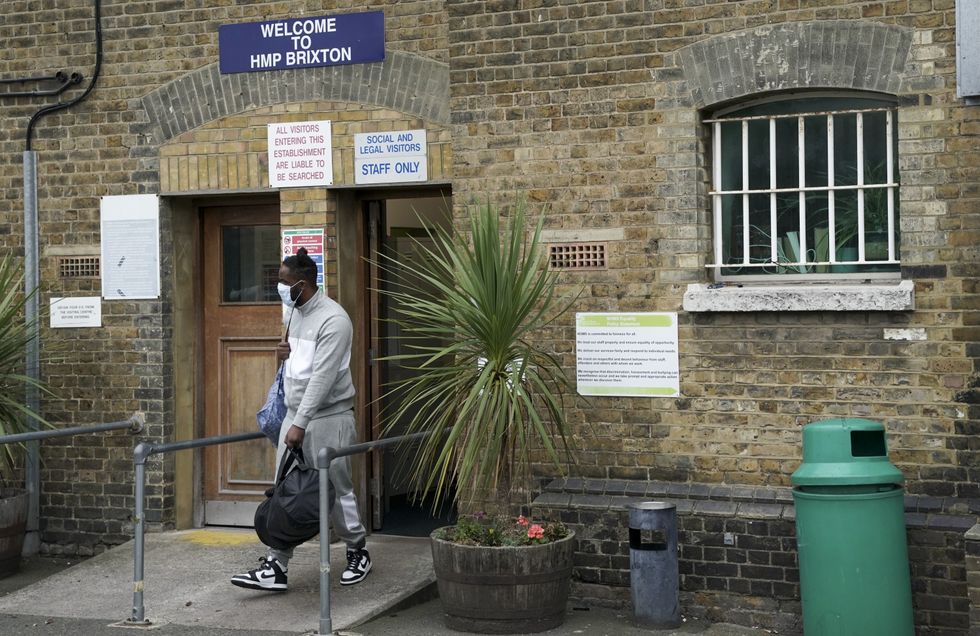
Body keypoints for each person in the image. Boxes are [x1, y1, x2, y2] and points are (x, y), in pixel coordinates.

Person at [232, 247, 372, 591]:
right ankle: (276, 564)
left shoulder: (334, 320)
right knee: (285, 491)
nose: (278, 286)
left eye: (283, 281)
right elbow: (298, 370)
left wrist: (300, 423)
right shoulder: (294, 312)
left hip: (329, 418)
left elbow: (322, 379)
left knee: (338, 489)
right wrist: (282, 359)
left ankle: (357, 549)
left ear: (303, 282)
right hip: (296, 417)